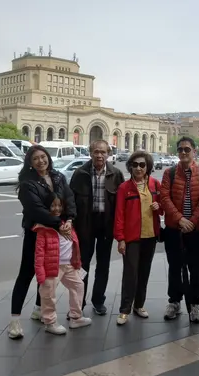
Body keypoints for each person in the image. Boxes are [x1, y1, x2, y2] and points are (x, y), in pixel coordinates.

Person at [8, 145, 76, 340]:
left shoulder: (58, 177)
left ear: (48, 158)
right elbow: (35, 209)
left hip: (57, 232)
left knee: (48, 273)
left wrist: (69, 219)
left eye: (43, 157)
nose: (41, 161)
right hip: (37, 234)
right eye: (35, 158)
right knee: (26, 274)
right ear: (30, 163)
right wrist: (59, 224)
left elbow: (69, 199)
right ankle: (14, 322)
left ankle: (40, 310)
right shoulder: (27, 184)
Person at [70, 140, 124, 315]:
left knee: (103, 265)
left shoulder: (115, 174)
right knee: (82, 266)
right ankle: (79, 303)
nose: (99, 155)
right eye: (96, 152)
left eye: (103, 152)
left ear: (108, 154)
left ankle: (98, 300)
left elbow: (121, 204)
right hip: (85, 225)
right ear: (90, 153)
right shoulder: (80, 173)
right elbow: (70, 201)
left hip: (106, 226)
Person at [160, 137, 199, 323]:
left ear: (194, 151)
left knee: (195, 268)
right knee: (175, 267)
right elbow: (164, 198)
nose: (183, 152)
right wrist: (180, 219)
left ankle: (195, 304)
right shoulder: (170, 173)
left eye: (187, 149)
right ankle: (174, 302)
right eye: (180, 149)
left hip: (196, 231)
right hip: (174, 229)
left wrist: (192, 221)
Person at [114, 151, 161, 325]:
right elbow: (119, 214)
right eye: (135, 165)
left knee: (144, 272)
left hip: (150, 236)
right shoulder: (124, 188)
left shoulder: (155, 184)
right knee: (130, 273)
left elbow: (163, 207)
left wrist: (159, 206)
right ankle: (124, 309)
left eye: (142, 165)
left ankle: (139, 305)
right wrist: (120, 238)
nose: (139, 168)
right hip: (132, 237)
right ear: (130, 167)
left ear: (148, 166)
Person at [34, 193, 92, 334]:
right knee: (48, 294)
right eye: (53, 205)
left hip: (69, 266)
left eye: (59, 205)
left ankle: (76, 317)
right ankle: (50, 322)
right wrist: (40, 274)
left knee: (78, 286)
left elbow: (74, 245)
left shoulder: (66, 224)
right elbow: (39, 254)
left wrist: (76, 263)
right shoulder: (44, 229)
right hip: (52, 267)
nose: (57, 208)